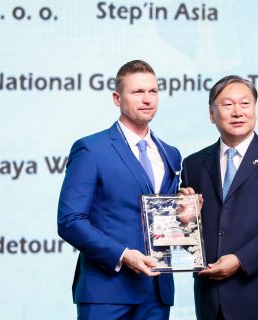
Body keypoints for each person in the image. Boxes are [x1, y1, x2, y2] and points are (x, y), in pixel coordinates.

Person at [58, 60, 181, 320]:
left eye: (153, 91)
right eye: (137, 92)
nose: (147, 99)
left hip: (157, 293)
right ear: (117, 98)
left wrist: (184, 217)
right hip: (106, 292)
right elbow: (69, 221)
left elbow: (162, 224)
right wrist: (123, 255)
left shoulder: (171, 154)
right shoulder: (91, 149)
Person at [180, 75, 258, 320]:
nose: (237, 112)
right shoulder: (193, 164)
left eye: (245, 104)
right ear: (212, 115)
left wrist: (239, 260)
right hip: (210, 299)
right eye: (227, 105)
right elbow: (191, 244)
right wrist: (186, 224)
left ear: (255, 111)